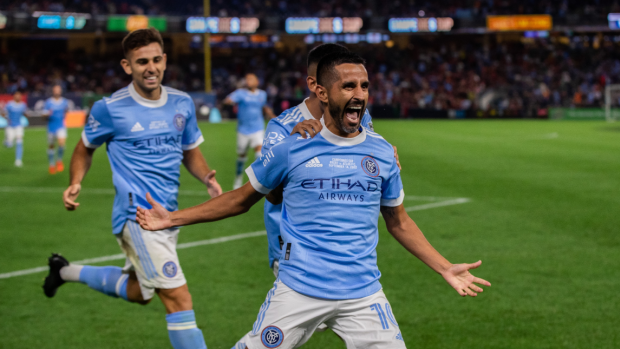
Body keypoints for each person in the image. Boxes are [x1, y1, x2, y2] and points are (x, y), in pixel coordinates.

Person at [137, 51, 490, 349]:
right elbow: (241, 200)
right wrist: (171, 218)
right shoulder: (291, 146)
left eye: (364, 86)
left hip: (363, 294)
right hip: (300, 289)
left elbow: (399, 220)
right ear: (320, 91)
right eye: (348, 85)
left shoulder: (382, 152)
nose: (359, 94)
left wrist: (444, 266)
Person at [42, 28, 222, 349]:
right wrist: (75, 182)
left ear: (165, 60)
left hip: (168, 215)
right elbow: (84, 148)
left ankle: (65, 271)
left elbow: (190, 150)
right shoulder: (109, 108)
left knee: (141, 292)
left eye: (155, 59)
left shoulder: (182, 103)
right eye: (141, 62)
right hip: (137, 215)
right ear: (127, 66)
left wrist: (205, 177)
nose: (150, 67)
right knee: (179, 299)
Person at [223, 73, 276, 189]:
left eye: (251, 79)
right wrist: (229, 100)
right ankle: (238, 177)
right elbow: (228, 100)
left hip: (258, 128)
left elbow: (264, 107)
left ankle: (256, 180)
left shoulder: (262, 94)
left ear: (257, 81)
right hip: (243, 130)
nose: (248, 81)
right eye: (247, 79)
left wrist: (273, 117)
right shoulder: (240, 93)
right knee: (242, 156)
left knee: (259, 152)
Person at [43, 85, 73, 174]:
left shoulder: (64, 102)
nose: (57, 92)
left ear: (60, 91)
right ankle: (52, 164)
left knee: (61, 143)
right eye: (55, 90)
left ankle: (59, 161)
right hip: (51, 127)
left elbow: (67, 111)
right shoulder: (48, 102)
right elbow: (44, 115)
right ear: (53, 91)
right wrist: (47, 114)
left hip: (61, 126)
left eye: (58, 90)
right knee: (51, 145)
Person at [1, 91, 31, 167]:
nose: (18, 97)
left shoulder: (23, 105)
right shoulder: (9, 104)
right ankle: (6, 142)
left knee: (19, 141)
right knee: (10, 144)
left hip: (18, 126)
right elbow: (3, 112)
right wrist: (7, 118)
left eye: (19, 96)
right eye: (16, 96)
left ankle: (18, 160)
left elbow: (25, 113)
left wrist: (27, 115)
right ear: (14, 96)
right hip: (10, 126)